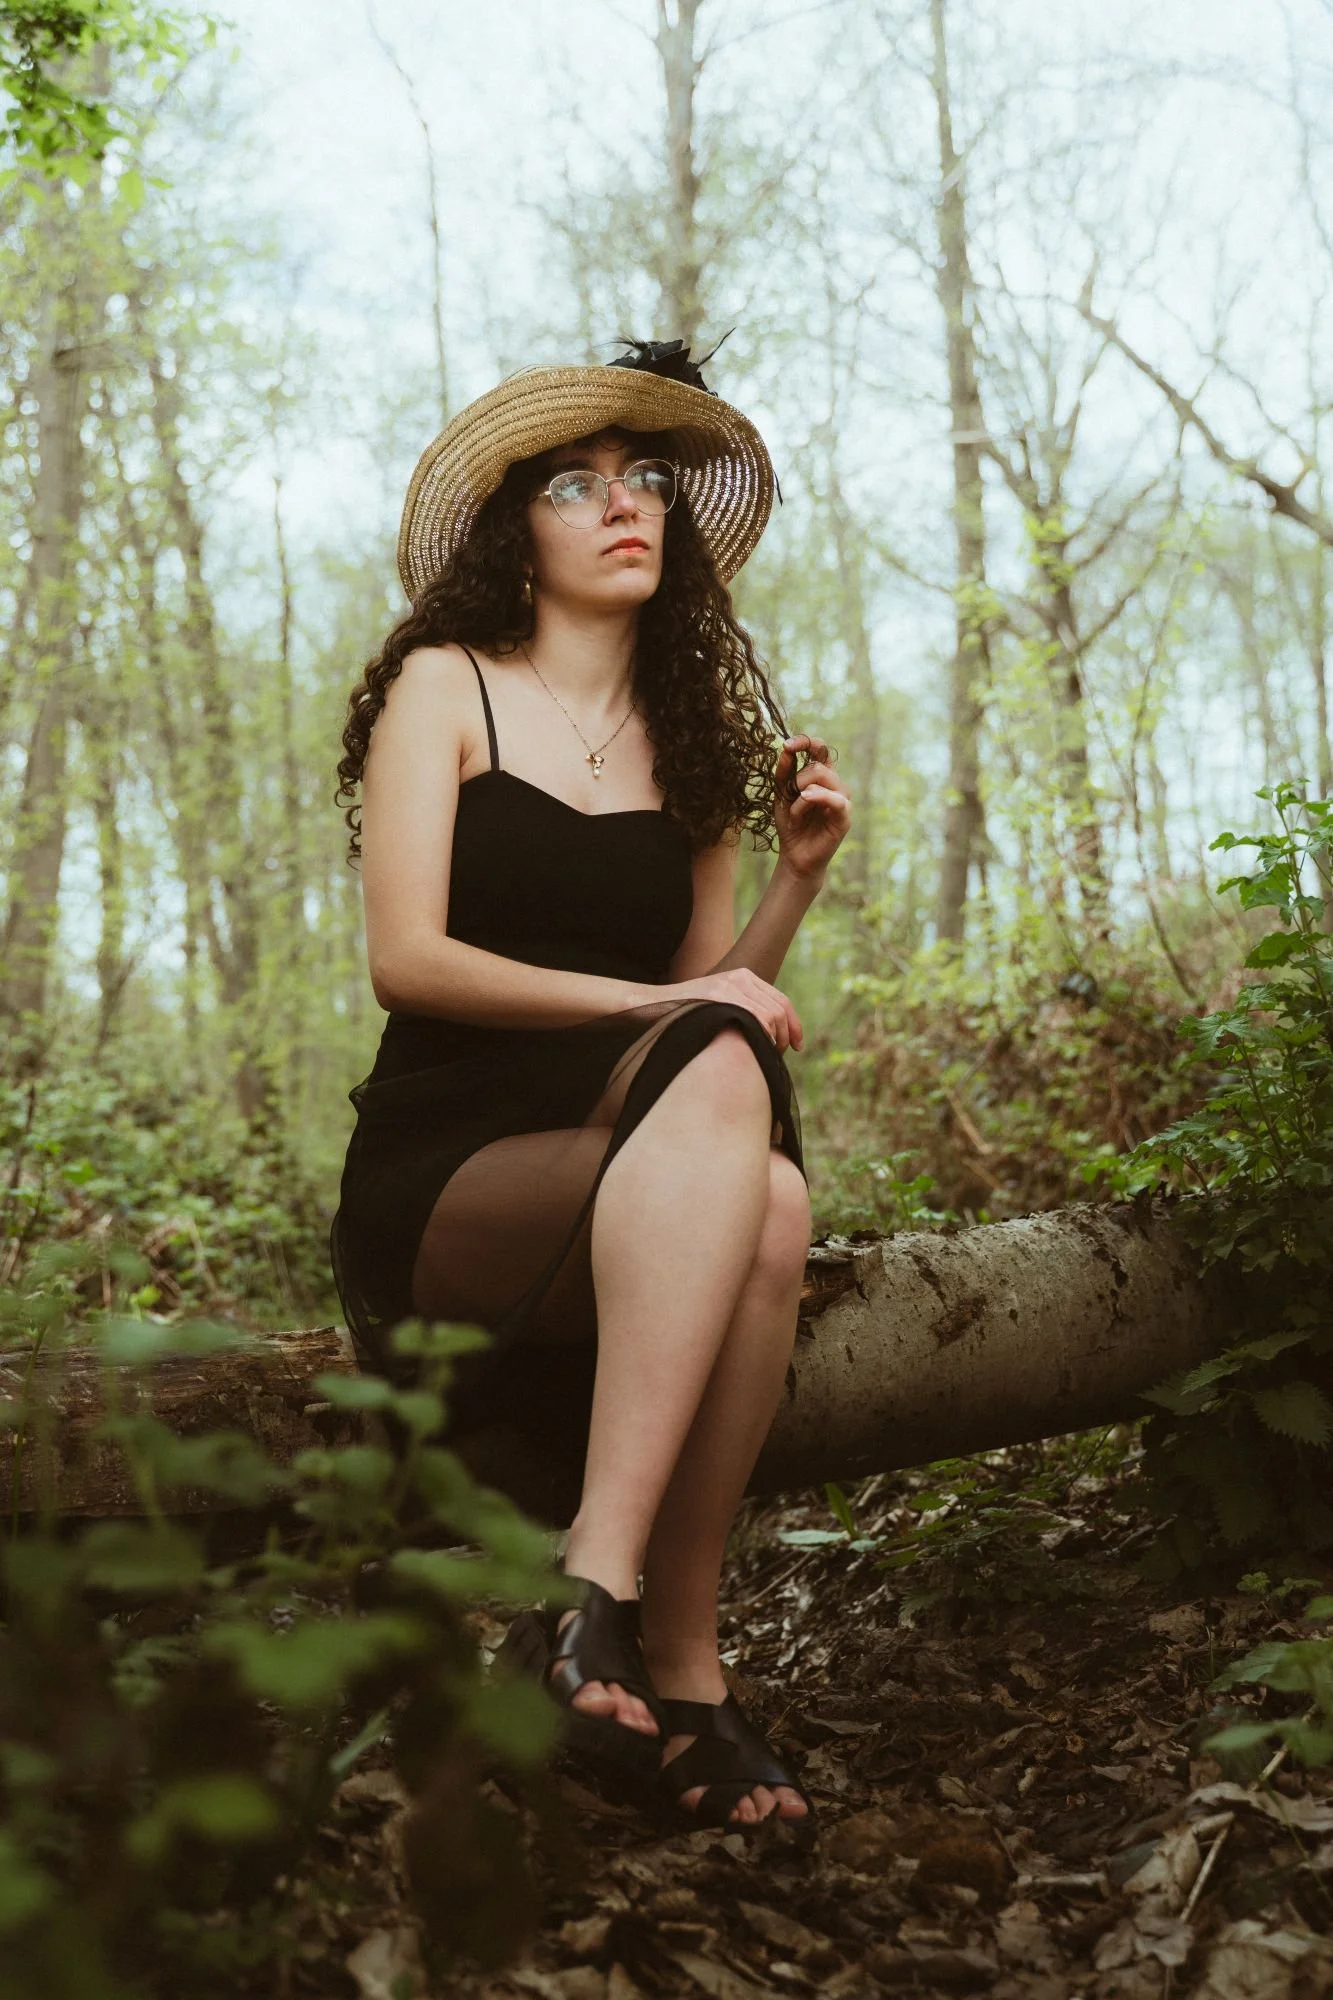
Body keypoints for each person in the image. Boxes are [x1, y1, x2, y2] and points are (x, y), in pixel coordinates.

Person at [331, 338, 851, 1833]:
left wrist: (790, 889)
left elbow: (710, 1010)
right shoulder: (447, 688)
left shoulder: (698, 748)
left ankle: (672, 1673)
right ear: (519, 529)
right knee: (725, 1082)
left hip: (636, 1166)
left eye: (644, 482)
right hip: (457, 1169)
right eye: (575, 484)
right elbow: (408, 961)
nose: (622, 505)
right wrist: (683, 999)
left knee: (768, 1195)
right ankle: (595, 1600)